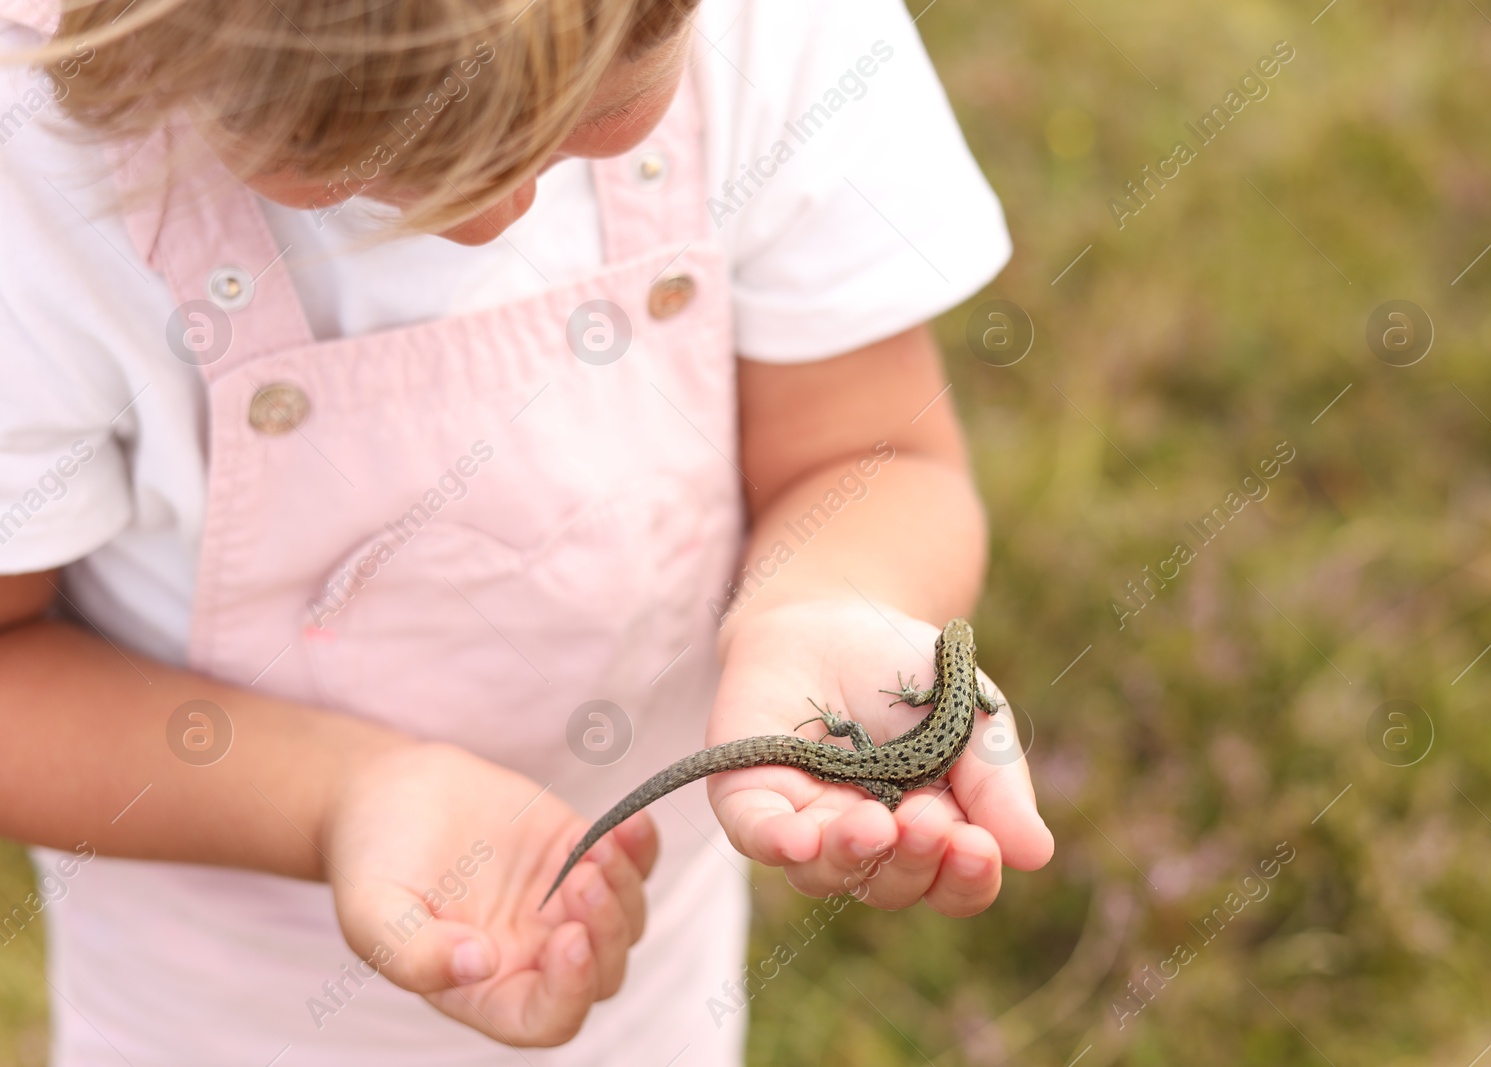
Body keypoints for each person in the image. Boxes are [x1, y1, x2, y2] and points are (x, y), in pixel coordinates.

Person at [0, 0, 1054, 1061]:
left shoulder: (777, 38)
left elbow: (871, 452)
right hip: (209, 1009)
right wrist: (338, 796)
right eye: (369, 150)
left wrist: (828, 600)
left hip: (644, 965)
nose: (493, 211)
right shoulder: (28, 170)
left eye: (578, 112)